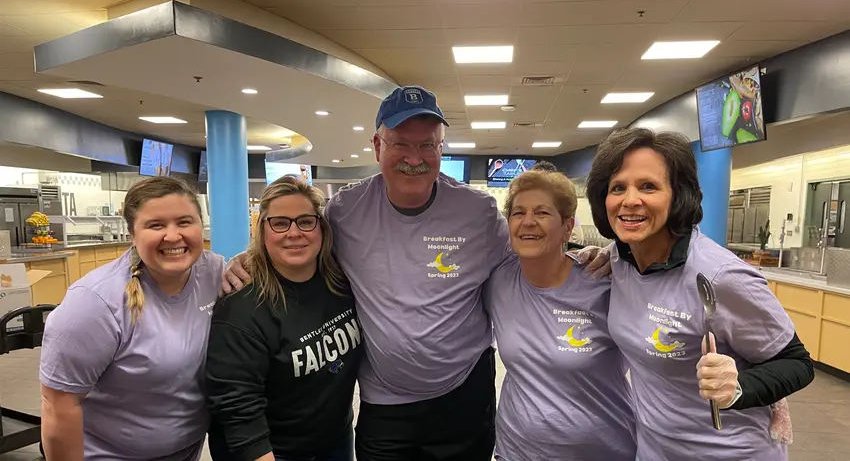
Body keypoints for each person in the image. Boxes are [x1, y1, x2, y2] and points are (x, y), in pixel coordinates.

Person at [221, 85, 611, 460]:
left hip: (464, 393)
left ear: (441, 148)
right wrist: (250, 259)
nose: (415, 156)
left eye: (427, 144)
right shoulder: (345, 211)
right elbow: (298, 238)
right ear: (377, 146)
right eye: (401, 144)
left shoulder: (476, 212)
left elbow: (529, 256)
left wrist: (584, 254)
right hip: (385, 402)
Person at [585, 128, 814, 460]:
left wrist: (738, 387)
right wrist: (604, 254)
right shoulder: (621, 261)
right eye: (617, 187)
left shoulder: (720, 275)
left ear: (678, 196)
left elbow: (797, 363)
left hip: (728, 452)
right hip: (654, 449)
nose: (630, 200)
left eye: (648, 186)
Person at [39, 177, 224, 461]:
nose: (173, 236)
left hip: (187, 451)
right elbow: (59, 406)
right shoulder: (94, 303)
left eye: (185, 222)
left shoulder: (215, 273)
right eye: (156, 225)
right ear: (131, 234)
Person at [205, 176, 360, 461]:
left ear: (321, 228)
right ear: (263, 230)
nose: (293, 232)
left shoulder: (341, 282)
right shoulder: (242, 305)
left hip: (334, 440)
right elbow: (237, 405)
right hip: (273, 451)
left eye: (305, 221)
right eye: (279, 223)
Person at [485, 169, 636, 460]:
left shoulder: (604, 283)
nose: (528, 221)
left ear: (568, 228)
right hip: (516, 451)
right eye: (518, 213)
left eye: (542, 212)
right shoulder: (498, 280)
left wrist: (617, 256)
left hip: (603, 451)